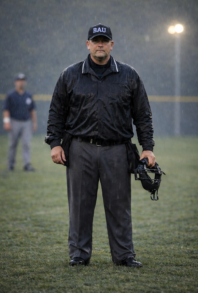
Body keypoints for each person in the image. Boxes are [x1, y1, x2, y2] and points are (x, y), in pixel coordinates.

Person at [45, 24, 155, 267]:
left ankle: (124, 255)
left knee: (119, 206)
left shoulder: (129, 75)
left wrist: (147, 147)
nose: (100, 44)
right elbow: (56, 112)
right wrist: (54, 143)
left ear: (112, 45)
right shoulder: (70, 74)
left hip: (117, 149)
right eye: (96, 40)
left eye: (104, 40)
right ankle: (79, 255)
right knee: (80, 206)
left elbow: (142, 114)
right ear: (88, 44)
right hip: (79, 148)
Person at [3, 73, 37, 171]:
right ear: (15, 82)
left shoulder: (28, 95)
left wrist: (34, 123)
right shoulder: (11, 95)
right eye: (19, 80)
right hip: (14, 121)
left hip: (26, 122)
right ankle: (10, 164)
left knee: (26, 144)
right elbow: (6, 109)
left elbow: (32, 110)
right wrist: (6, 122)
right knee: (13, 144)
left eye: (23, 80)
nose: (21, 82)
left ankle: (27, 165)